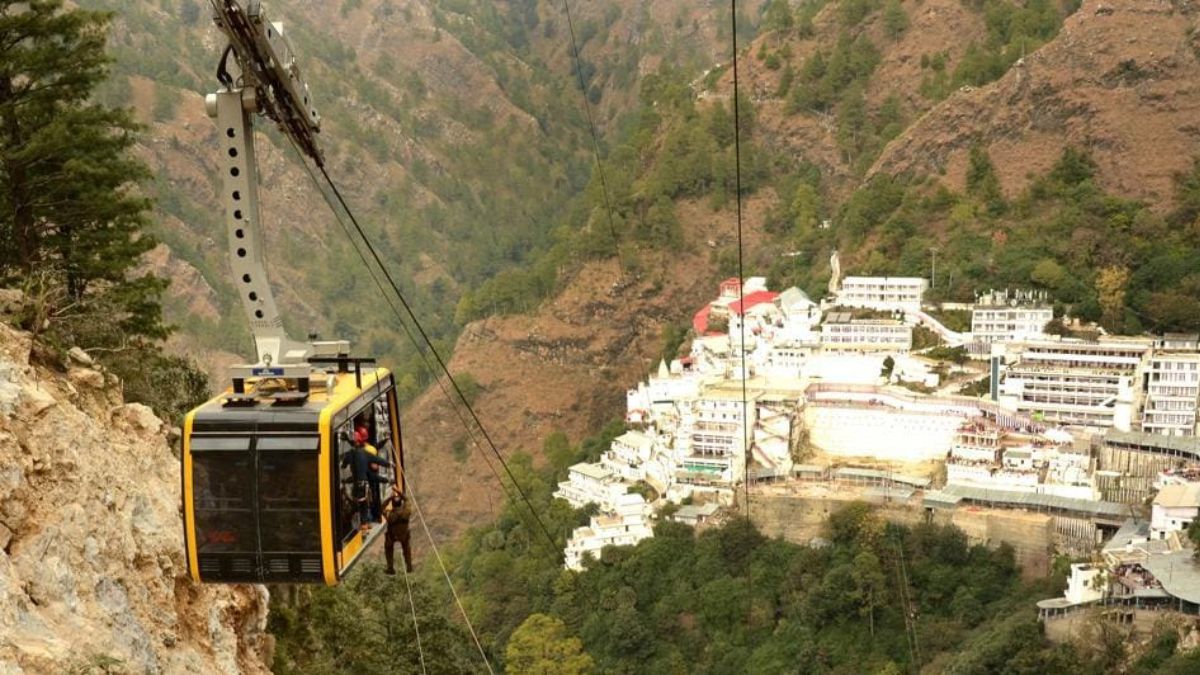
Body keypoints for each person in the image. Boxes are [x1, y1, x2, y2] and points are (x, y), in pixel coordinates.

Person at [381, 484, 413, 575]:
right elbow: (407, 500)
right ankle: (409, 567)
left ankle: (390, 567)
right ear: (401, 504)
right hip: (404, 535)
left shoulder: (390, 515)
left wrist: (390, 498)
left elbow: (382, 507)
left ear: (393, 505)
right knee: (406, 548)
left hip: (393, 536)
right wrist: (399, 491)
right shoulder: (406, 511)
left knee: (388, 547)